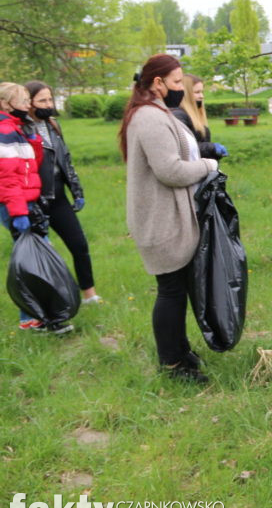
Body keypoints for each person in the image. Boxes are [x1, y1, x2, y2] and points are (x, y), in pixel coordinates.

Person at [120, 54, 220, 383]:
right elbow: (170, 170)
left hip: (167, 216)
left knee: (176, 288)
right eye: (177, 82)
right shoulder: (149, 117)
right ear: (157, 83)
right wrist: (208, 166)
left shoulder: (156, 112)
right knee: (171, 291)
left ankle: (180, 350)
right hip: (160, 220)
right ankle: (172, 365)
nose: (182, 88)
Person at [0, 82, 72, 334]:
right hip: (17, 205)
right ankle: (33, 318)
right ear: (6, 104)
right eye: (22, 102)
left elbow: (32, 165)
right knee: (32, 261)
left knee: (38, 257)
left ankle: (41, 316)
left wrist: (34, 141)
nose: (27, 106)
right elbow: (8, 179)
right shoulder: (5, 132)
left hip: (28, 202)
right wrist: (19, 212)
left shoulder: (17, 129)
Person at [25, 81, 101, 306]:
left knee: (79, 244)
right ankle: (47, 304)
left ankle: (89, 294)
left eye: (50, 99)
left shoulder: (54, 125)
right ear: (29, 103)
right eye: (42, 101)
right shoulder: (22, 129)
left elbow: (65, 160)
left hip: (59, 196)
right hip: (36, 198)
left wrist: (76, 190)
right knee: (41, 254)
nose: (48, 105)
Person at [172, 74, 227, 161]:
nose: (202, 96)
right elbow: (184, 147)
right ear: (186, 94)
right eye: (197, 92)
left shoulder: (191, 114)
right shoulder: (179, 116)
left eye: (202, 92)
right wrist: (212, 148)